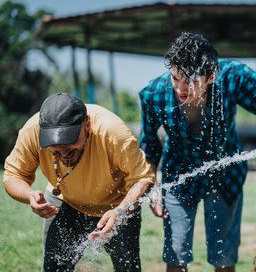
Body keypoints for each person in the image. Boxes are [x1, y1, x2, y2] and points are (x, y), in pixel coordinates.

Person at [139, 32, 256, 271]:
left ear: (211, 76)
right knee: (175, 254)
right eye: (175, 78)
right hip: (178, 175)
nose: (181, 89)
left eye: (191, 81)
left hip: (226, 174)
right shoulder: (153, 94)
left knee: (224, 257)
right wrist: (152, 186)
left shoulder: (233, 76)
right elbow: (149, 146)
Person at [3, 92, 156, 271]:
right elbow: (13, 176)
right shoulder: (32, 131)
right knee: (55, 267)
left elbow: (143, 179)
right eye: (56, 148)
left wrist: (121, 211)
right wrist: (29, 195)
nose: (64, 153)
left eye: (70, 142)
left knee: (127, 268)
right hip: (63, 202)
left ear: (87, 124)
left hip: (116, 207)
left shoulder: (112, 132)